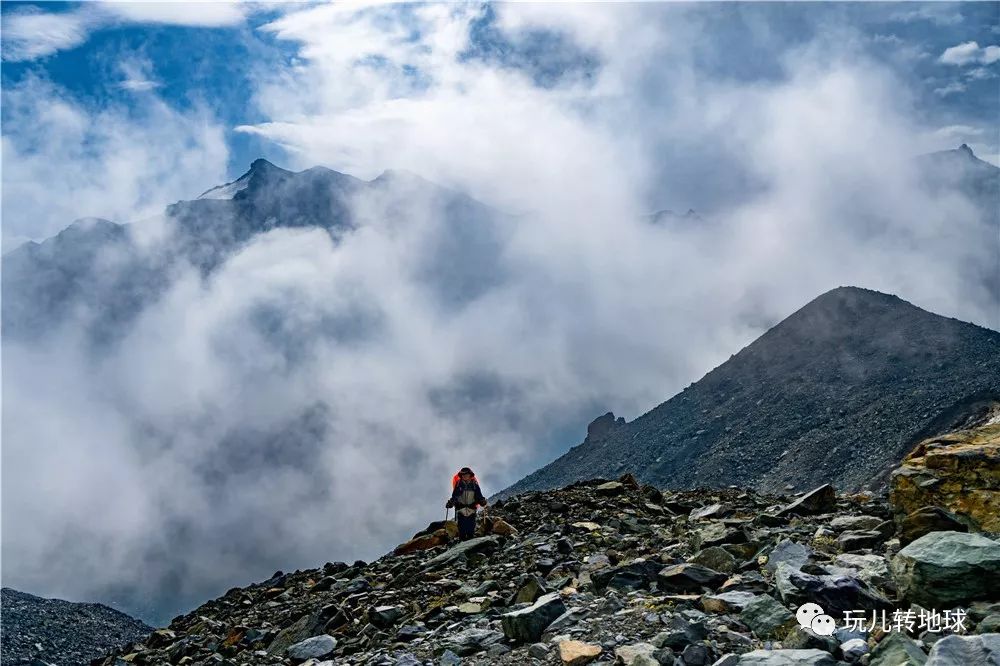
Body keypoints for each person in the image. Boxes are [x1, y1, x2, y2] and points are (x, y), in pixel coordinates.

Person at [447, 467, 487, 541]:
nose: (464, 476)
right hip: (461, 510)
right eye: (463, 474)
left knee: (470, 529)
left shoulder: (474, 485)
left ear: (470, 475)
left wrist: (482, 501)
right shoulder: (458, 484)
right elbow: (455, 496)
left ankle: (468, 545)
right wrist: (451, 503)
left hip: (471, 510)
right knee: (461, 530)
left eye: (466, 474)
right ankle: (463, 545)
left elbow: (479, 496)